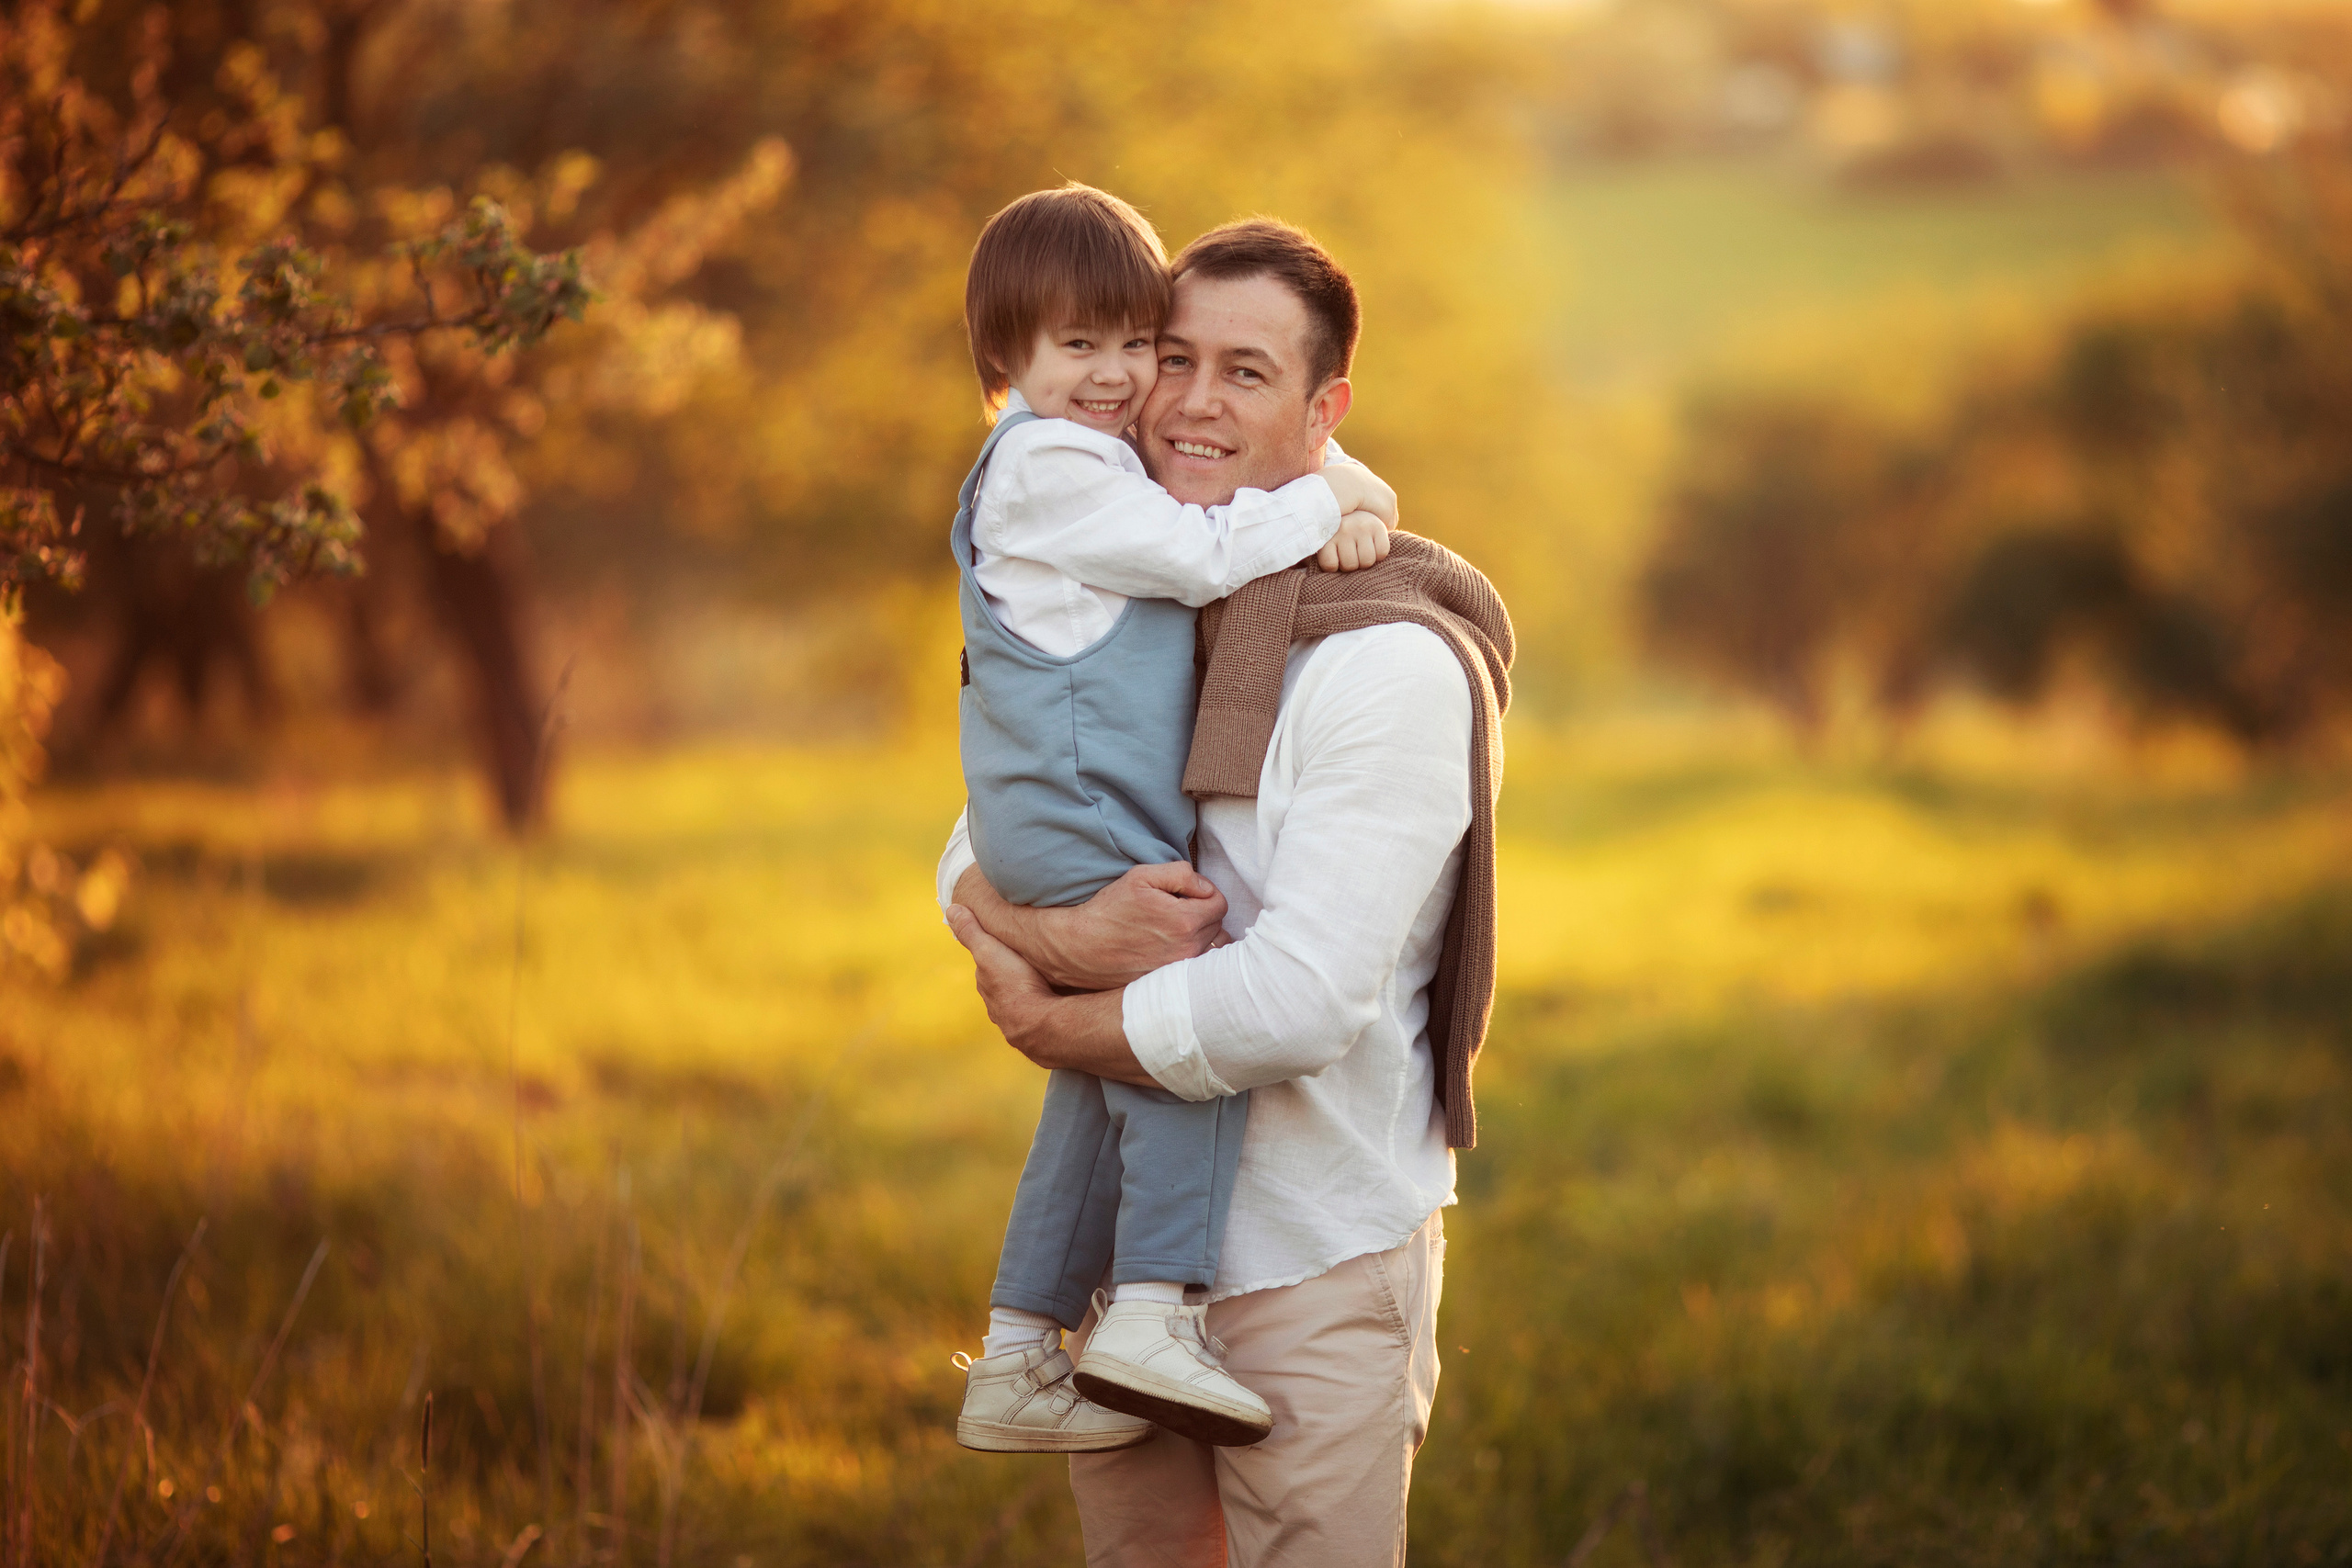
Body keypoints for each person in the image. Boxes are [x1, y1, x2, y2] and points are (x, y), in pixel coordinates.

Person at [943, 217, 1513, 1566]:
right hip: (1127, 1266)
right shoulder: (1123, 581)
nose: (1189, 401)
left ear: (1325, 412)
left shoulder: (1384, 664)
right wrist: (1059, 930)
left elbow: (1298, 1004)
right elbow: (977, 836)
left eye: (1245, 373)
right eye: (1169, 356)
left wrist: (1054, 1016)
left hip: (1310, 1257)